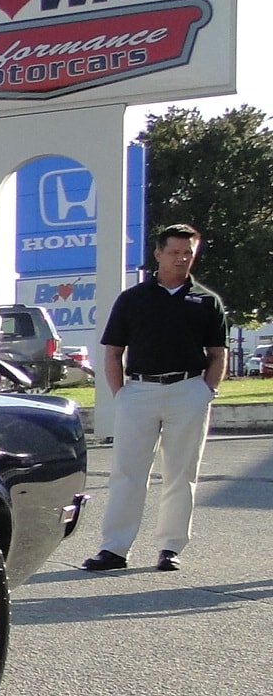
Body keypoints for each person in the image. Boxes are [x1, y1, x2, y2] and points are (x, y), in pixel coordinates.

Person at [81, 223, 229, 573]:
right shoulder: (133, 299)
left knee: (181, 474)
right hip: (140, 392)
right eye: (175, 252)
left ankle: (170, 548)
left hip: (188, 390)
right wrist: (122, 394)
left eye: (188, 253)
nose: (181, 259)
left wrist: (206, 391)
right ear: (158, 254)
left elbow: (218, 354)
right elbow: (113, 351)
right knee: (127, 472)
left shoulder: (207, 301)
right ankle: (114, 548)